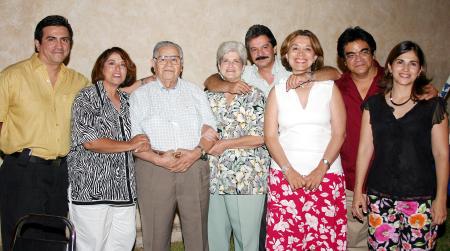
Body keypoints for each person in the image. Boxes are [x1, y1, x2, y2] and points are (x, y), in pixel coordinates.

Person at [204, 24, 341, 251]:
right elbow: (212, 79)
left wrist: (307, 75)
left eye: (265, 46)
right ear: (248, 54)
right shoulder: (244, 75)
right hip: (270, 163)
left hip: (279, 160)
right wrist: (228, 83)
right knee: (271, 229)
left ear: (276, 49)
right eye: (254, 49)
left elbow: (334, 73)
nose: (260, 52)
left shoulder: (292, 69)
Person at [335, 27, 439, 251]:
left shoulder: (397, 78)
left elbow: (438, 148)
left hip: (411, 185)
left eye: (364, 51)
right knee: (358, 243)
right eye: (350, 55)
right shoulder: (335, 88)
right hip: (356, 182)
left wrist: (429, 91)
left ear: (374, 54)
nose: (358, 59)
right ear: (343, 61)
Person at [0, 15, 89, 249]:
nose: (59, 45)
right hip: (23, 171)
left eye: (65, 39)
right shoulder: (12, 76)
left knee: (56, 239)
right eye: (51, 39)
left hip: (62, 173)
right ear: (37, 43)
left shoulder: (78, 81)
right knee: (22, 239)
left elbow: (105, 101)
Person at [129, 41, 218, 251]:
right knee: (155, 235)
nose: (168, 64)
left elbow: (210, 130)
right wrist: (159, 159)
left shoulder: (196, 92)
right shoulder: (140, 96)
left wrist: (195, 153)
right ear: (153, 63)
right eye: (163, 58)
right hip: (153, 169)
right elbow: (136, 138)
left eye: (174, 59)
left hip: (193, 167)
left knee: (197, 233)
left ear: (181, 64)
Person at [264, 30, 347, 250]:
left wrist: (321, 170)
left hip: (326, 176)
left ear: (315, 55)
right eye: (295, 48)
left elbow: (339, 134)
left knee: (324, 241)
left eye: (307, 48)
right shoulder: (277, 92)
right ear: (286, 55)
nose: (301, 54)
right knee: (285, 241)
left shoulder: (329, 88)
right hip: (285, 177)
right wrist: (288, 170)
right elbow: (270, 136)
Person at [67, 47, 150, 251]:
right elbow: (90, 141)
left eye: (123, 64)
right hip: (92, 189)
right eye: (111, 63)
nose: (118, 68)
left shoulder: (127, 101)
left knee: (122, 244)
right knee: (90, 246)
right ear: (101, 67)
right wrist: (130, 144)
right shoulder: (87, 97)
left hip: (124, 191)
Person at [206, 41, 270, 251]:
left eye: (236, 61)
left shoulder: (256, 95)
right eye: (226, 60)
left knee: (247, 241)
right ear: (218, 65)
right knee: (216, 238)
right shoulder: (207, 96)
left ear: (244, 66)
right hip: (214, 178)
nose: (231, 65)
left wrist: (226, 144)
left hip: (247, 179)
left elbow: (263, 136)